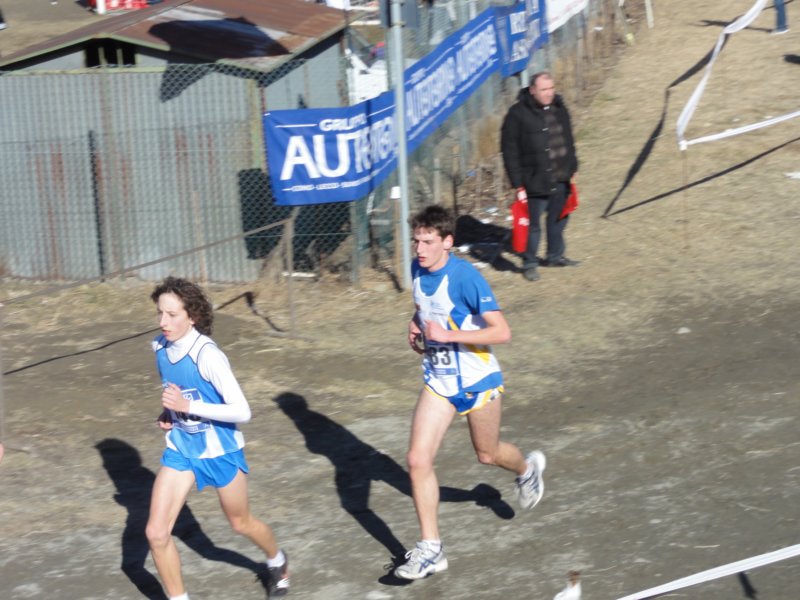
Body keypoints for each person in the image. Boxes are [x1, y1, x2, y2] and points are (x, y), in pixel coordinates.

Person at [393, 205, 546, 580]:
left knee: (487, 454)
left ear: (448, 242)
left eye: (428, 242)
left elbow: (502, 332)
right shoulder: (417, 269)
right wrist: (415, 324)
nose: (420, 249)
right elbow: (425, 308)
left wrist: (448, 335)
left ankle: (527, 470)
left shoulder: (466, 278)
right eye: (416, 241)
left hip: (478, 381)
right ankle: (431, 550)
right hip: (439, 381)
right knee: (417, 460)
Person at [146, 277, 289, 600]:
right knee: (156, 533)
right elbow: (178, 393)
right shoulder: (159, 347)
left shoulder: (208, 355)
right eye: (160, 313)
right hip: (182, 450)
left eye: (172, 315)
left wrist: (187, 407)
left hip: (221, 451)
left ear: (192, 316)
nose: (163, 322)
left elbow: (242, 411)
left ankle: (277, 561)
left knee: (240, 523)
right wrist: (169, 413)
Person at [501, 71, 580, 282]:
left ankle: (555, 256)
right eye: (544, 90)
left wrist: (573, 165)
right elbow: (509, 150)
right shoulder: (517, 114)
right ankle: (530, 263)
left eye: (551, 88)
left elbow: (568, 138)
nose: (549, 93)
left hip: (561, 176)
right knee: (532, 226)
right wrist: (517, 183)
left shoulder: (560, 107)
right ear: (532, 90)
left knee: (559, 218)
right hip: (534, 180)